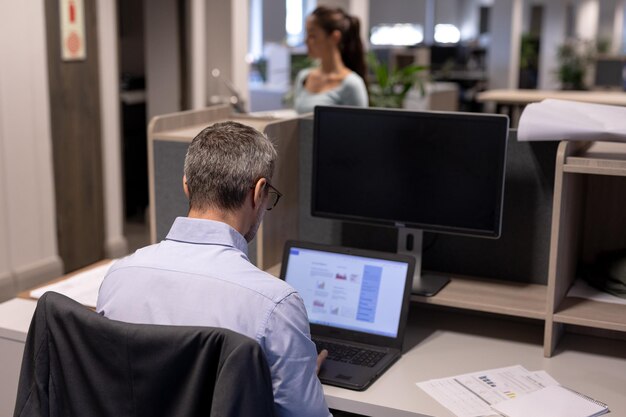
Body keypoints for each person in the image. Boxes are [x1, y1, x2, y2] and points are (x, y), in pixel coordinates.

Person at [97, 121, 331, 417]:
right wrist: (303, 377)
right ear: (259, 192)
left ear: (186, 185)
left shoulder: (119, 276)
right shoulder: (275, 304)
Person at [294, 6, 369, 114]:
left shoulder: (352, 84)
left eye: (312, 35)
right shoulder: (303, 77)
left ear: (334, 37)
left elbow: (360, 128)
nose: (306, 40)